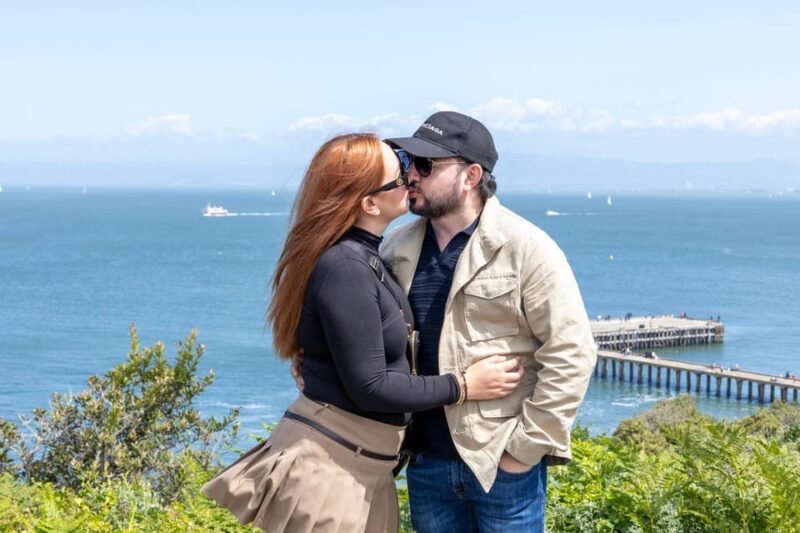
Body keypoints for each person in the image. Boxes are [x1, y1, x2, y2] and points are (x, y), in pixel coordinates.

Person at [202, 133, 524, 533]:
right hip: (333, 469)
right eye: (400, 174)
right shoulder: (347, 267)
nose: (411, 179)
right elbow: (371, 385)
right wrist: (463, 385)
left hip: (361, 465)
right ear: (370, 203)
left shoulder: (371, 256)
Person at [381, 111, 597, 532]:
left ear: (471, 175)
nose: (412, 176)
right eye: (409, 162)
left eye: (426, 165)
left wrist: (523, 451)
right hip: (425, 464)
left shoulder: (526, 248)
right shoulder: (396, 248)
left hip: (501, 467)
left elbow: (571, 352)